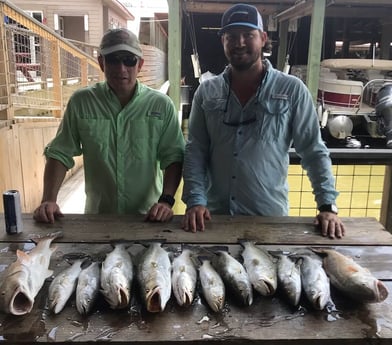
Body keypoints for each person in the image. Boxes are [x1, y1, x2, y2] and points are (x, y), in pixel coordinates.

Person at [181, 3, 345, 238]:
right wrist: (195, 200)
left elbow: (313, 150)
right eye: (231, 36)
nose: (239, 43)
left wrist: (327, 205)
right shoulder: (206, 92)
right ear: (222, 41)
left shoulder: (292, 90)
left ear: (263, 38)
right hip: (214, 218)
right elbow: (195, 150)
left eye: (248, 35)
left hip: (270, 218)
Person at [33, 28, 185, 223]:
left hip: (148, 218)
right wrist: (48, 200)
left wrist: (166, 201)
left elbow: (173, 156)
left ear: (140, 64)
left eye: (129, 60)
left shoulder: (161, 105)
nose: (121, 68)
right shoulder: (81, 102)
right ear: (101, 63)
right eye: (113, 59)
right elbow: (60, 152)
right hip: (98, 219)